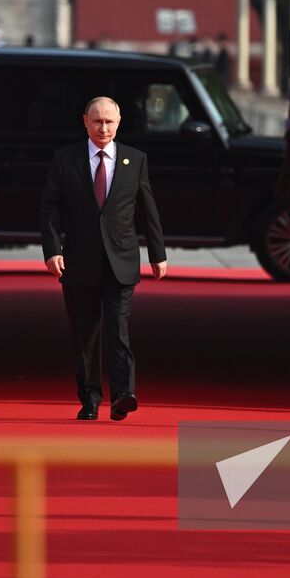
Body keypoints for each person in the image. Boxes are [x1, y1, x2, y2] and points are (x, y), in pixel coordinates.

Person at [39, 96, 166, 421]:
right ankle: (90, 398)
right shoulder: (66, 159)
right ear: (85, 121)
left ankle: (124, 394)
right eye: (97, 121)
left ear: (119, 122)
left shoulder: (134, 159)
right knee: (85, 334)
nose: (103, 128)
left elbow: (147, 208)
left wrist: (157, 253)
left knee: (118, 328)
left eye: (109, 122)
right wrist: (52, 249)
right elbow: (49, 207)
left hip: (121, 260)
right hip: (78, 260)